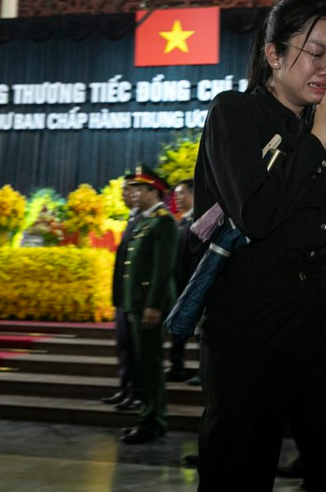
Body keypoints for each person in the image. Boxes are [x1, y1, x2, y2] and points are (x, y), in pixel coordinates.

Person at [192, 0, 326, 491]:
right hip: (253, 315)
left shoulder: (318, 130)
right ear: (274, 55)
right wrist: (318, 139)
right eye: (316, 52)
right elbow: (256, 215)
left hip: (325, 310)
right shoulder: (234, 114)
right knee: (239, 466)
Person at [120, 164, 177, 444]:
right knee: (143, 364)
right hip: (137, 304)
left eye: (140, 189)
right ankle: (147, 417)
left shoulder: (163, 222)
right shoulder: (145, 221)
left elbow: (162, 269)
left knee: (151, 365)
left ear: (154, 192)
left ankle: (152, 420)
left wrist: (154, 305)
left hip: (149, 306)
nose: (134, 194)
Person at [102, 174, 143, 411]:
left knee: (135, 349)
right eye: (125, 190)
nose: (126, 194)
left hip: (135, 298)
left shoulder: (147, 221)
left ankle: (136, 393)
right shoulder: (132, 219)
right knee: (124, 346)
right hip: (124, 297)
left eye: (130, 190)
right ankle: (126, 388)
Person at [166, 178, 200, 383]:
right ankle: (176, 367)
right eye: (175, 195)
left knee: (198, 332)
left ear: (193, 194)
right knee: (179, 331)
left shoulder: (198, 221)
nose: (177, 198)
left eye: (181, 194)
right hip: (180, 287)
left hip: (191, 287)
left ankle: (201, 372)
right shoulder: (183, 222)